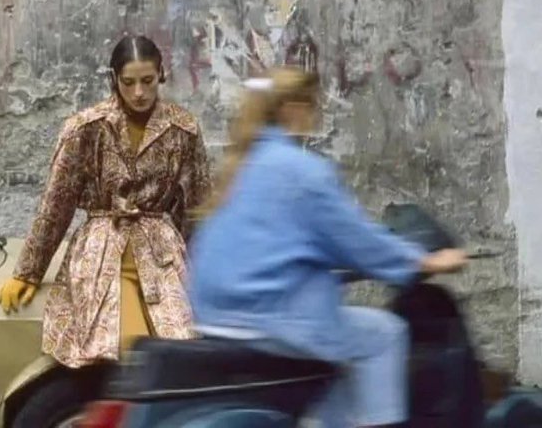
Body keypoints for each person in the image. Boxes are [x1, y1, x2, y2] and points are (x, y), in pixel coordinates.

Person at [188, 69, 467, 428]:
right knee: (385, 335)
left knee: (343, 350)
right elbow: (357, 240)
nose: (314, 116)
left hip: (217, 317)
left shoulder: (240, 167)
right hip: (271, 319)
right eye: (311, 106)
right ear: (291, 109)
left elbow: (282, 247)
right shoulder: (301, 170)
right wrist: (427, 260)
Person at [0, 34, 211, 369]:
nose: (139, 92)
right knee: (125, 349)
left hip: (162, 256)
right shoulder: (85, 128)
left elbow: (197, 205)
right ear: (114, 79)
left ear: (161, 75)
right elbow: (57, 202)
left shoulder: (182, 129)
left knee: (175, 352)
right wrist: (29, 271)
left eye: (147, 81)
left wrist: (205, 270)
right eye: (129, 82)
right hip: (104, 250)